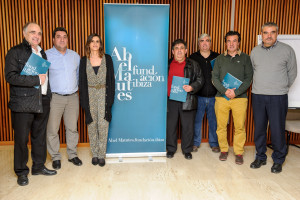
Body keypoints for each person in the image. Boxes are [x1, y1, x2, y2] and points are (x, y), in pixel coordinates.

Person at [5, 22, 57, 186]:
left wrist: (47, 95)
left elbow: (45, 78)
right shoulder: (15, 52)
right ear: (24, 33)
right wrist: (35, 79)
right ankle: (21, 172)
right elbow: (10, 77)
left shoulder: (42, 53)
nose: (37, 36)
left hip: (42, 101)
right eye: (33, 32)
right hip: (22, 103)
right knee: (21, 139)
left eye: (39, 33)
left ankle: (38, 166)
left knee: (39, 136)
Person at [250, 22, 297, 173]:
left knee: (277, 130)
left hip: (278, 97)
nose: (268, 35)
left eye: (272, 32)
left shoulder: (287, 50)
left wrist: (280, 87)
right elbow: (252, 72)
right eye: (265, 33)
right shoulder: (255, 51)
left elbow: (292, 74)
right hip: (258, 95)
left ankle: (278, 159)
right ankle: (260, 157)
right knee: (259, 129)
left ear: (277, 34)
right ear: (261, 34)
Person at [212, 31, 253, 165]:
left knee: (239, 127)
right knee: (221, 126)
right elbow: (215, 78)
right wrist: (225, 91)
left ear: (238, 42)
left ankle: (239, 152)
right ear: (225, 43)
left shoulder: (246, 58)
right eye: (228, 41)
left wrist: (236, 92)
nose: (231, 44)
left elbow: (249, 78)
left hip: (240, 99)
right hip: (221, 98)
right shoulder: (219, 59)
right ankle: (224, 150)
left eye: (234, 41)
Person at [46, 27, 82, 169]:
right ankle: (55, 156)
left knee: (72, 128)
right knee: (52, 129)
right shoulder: (46, 55)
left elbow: (78, 76)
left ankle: (72, 154)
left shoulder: (75, 56)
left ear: (67, 39)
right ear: (53, 39)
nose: (62, 39)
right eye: (58, 36)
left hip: (73, 97)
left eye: (64, 36)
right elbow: (39, 77)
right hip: (54, 98)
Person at [79, 34, 115, 167]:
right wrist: (84, 102)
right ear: (88, 44)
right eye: (92, 41)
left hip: (104, 94)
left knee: (103, 125)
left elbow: (112, 81)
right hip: (89, 94)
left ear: (100, 44)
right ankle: (94, 154)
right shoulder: (84, 61)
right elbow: (81, 83)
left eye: (97, 41)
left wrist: (110, 100)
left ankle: (102, 155)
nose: (95, 44)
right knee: (92, 124)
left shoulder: (108, 59)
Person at [166, 39, 204, 160]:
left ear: (186, 51)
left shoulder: (193, 64)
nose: (179, 51)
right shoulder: (167, 64)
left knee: (188, 127)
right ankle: (171, 149)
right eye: (176, 48)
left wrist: (192, 87)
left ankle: (187, 150)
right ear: (172, 51)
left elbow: (200, 79)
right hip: (170, 99)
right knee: (171, 126)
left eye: (181, 48)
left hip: (187, 99)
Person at [189, 33, 220, 153]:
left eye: (207, 40)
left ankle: (214, 143)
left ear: (210, 43)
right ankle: (195, 143)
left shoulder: (218, 57)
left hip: (214, 96)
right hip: (197, 96)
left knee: (213, 121)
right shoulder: (192, 57)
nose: (205, 43)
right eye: (202, 40)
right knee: (196, 121)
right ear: (198, 43)